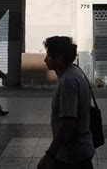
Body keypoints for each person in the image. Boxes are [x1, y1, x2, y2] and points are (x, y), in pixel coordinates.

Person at [37, 36, 94, 169]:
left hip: (72, 156)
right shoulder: (75, 72)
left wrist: (49, 156)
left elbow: (68, 123)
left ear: (59, 58)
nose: (45, 59)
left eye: (49, 55)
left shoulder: (68, 81)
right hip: (78, 151)